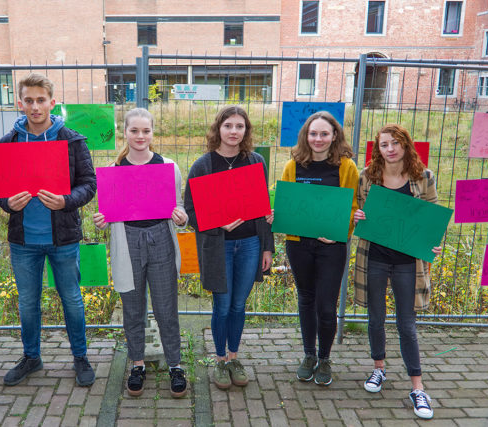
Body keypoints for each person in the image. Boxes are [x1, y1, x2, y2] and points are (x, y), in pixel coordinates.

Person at [0, 73, 96, 387]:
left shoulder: (72, 140)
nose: (35, 106)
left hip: (62, 238)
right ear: (20, 102)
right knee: (28, 302)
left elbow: (89, 185)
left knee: (71, 299)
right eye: (29, 100)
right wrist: (9, 203)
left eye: (41, 100)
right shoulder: (8, 143)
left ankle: (80, 357)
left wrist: (66, 201)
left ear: (52, 103)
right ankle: (32, 356)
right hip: (24, 239)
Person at [93, 108, 188, 398]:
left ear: (152, 133)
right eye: (134, 130)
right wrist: (102, 220)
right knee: (132, 308)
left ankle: (175, 364)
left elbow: (179, 205)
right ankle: (137, 364)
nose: (140, 136)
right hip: (127, 241)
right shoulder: (114, 169)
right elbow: (106, 214)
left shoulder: (168, 167)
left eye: (145, 131)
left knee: (165, 307)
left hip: (160, 237)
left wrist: (180, 216)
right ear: (125, 132)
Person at [353, 124, 441, 419]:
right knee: (375, 318)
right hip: (375, 257)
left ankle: (417, 387)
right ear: (377, 149)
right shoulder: (367, 177)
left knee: (407, 325)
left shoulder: (423, 177)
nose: (389, 149)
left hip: (408, 262)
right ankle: (379, 369)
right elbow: (360, 212)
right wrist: (358, 216)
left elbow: (431, 216)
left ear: (405, 145)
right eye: (383, 145)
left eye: (395, 143)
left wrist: (433, 242)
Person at [184, 106, 274, 390]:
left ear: (246, 131)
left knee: (238, 304)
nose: (234, 132)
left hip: (250, 244)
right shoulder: (203, 165)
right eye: (228, 126)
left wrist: (267, 248)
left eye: (240, 126)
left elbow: (264, 210)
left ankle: (235, 357)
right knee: (222, 305)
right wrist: (216, 224)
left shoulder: (256, 161)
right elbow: (190, 212)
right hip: (218, 246)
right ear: (218, 129)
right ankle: (220, 360)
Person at [281, 111, 358, 386]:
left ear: (334, 135)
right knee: (306, 299)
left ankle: (325, 358)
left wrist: (339, 231)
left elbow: (352, 207)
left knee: (326, 306)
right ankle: (309, 355)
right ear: (305, 135)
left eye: (324, 134)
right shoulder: (294, 165)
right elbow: (287, 202)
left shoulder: (346, 167)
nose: (318, 138)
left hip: (331, 245)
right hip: (299, 244)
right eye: (313, 133)